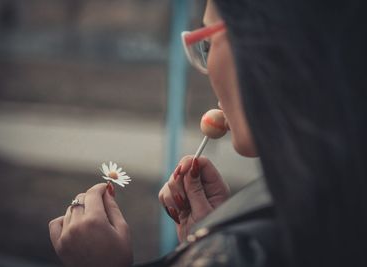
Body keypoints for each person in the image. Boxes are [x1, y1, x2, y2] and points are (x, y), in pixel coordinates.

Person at [48, 0, 367, 266]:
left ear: (265, 44)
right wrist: (208, 238)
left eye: (208, 42)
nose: (207, 66)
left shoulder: (249, 250)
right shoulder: (335, 195)